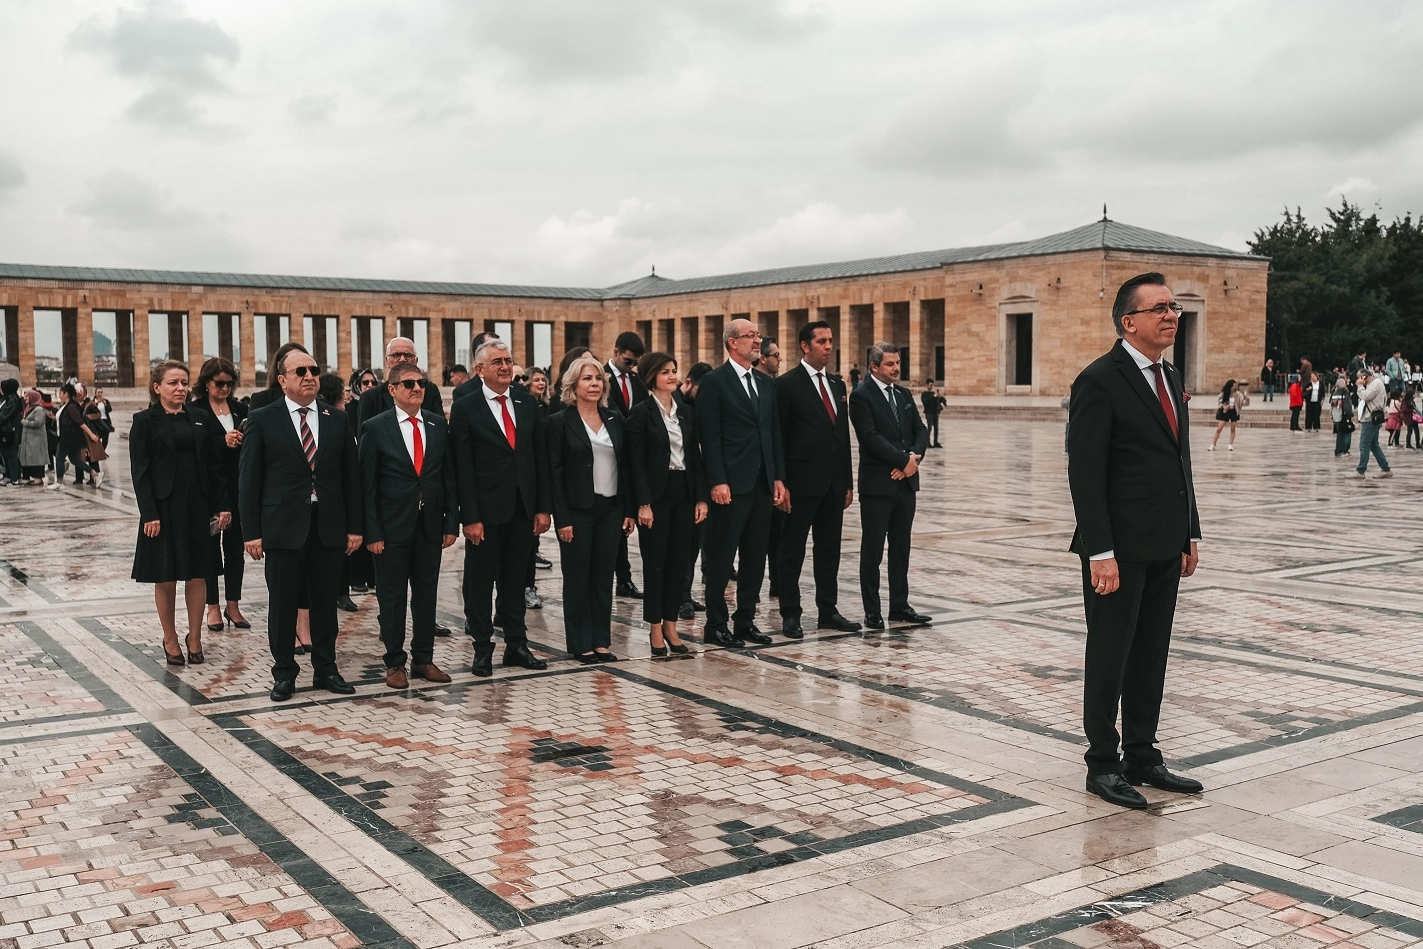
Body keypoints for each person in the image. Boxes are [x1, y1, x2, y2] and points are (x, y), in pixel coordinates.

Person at [1067, 271, 1203, 810]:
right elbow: (1086, 474)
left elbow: (1179, 460)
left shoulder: (1170, 376)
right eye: (1159, 308)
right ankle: (1103, 762)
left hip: (1165, 542)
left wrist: (1190, 530)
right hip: (1118, 550)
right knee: (1110, 654)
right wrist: (1099, 551)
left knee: (1151, 652)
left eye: (1174, 307)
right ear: (1129, 322)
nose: (1171, 316)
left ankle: (1142, 755)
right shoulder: (1099, 380)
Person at [239, 347, 365, 701]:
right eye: (301, 371)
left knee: (325, 601)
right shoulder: (263, 418)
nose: (310, 376)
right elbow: (249, 480)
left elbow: (351, 478)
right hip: (282, 527)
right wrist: (252, 532)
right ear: (282, 380)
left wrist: (355, 527)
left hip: (328, 525)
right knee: (283, 603)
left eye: (314, 370)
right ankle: (284, 673)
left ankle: (326, 669)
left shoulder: (336, 418)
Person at [449, 338, 551, 676]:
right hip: (485, 513)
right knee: (480, 583)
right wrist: (470, 517)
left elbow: (538, 457)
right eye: (498, 362)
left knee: (515, 581)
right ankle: (482, 647)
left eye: (508, 360)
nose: (506, 366)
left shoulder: (526, 402)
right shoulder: (466, 407)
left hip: (522, 509)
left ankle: (516, 644)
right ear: (480, 369)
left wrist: (542, 507)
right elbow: (462, 467)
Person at [360, 363, 458, 689]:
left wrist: (451, 523)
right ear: (392, 389)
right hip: (390, 529)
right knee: (392, 597)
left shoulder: (437, 424)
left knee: (426, 595)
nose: (417, 388)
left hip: (429, 525)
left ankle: (423, 659)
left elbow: (447, 477)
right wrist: (372, 531)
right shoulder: (376, 427)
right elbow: (367, 486)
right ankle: (394, 662)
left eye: (421, 383)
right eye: (409, 383)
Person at [130, 360, 231, 667]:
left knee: (199, 573)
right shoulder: (144, 421)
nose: (180, 388)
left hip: (198, 506)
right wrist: (149, 513)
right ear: (157, 387)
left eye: (184, 383)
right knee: (166, 576)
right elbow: (140, 473)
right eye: (173, 383)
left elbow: (215, 465)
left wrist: (223, 505)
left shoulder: (200, 418)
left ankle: (195, 637)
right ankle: (170, 638)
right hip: (163, 509)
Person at [697, 318, 786, 647]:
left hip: (761, 484)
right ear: (732, 342)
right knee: (721, 558)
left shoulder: (764, 382)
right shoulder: (714, 382)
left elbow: (772, 432)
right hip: (730, 487)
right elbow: (709, 436)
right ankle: (716, 624)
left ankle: (745, 621)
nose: (757, 340)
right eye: (750, 336)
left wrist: (778, 476)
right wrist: (717, 480)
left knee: (755, 556)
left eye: (758, 335)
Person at [547, 355, 635, 663]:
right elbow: (555, 474)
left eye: (598, 378)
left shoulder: (614, 419)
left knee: (603, 576)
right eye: (587, 378)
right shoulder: (559, 422)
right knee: (577, 578)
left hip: (610, 508)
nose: (594, 383)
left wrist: (628, 509)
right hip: (577, 510)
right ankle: (580, 642)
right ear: (574, 385)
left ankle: (600, 640)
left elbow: (626, 467)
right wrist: (562, 518)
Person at [773, 321, 859, 637]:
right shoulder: (787, 384)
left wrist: (847, 482)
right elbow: (778, 437)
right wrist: (780, 481)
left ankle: (828, 610)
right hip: (800, 484)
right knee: (792, 550)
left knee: (828, 551)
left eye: (830, 340)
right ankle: (790, 613)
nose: (828, 346)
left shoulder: (837, 385)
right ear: (805, 346)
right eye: (822, 341)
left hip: (833, 485)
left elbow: (841, 435)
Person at [627, 352, 707, 656]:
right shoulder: (641, 413)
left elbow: (695, 457)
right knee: (656, 563)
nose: (673, 376)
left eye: (674, 370)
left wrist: (701, 498)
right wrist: (643, 503)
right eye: (665, 372)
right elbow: (636, 463)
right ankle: (655, 628)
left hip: (684, 491)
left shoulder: (686, 411)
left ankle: (672, 625)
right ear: (651, 377)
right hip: (656, 496)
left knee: (679, 563)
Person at [850, 342, 931, 630]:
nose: (896, 368)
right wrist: (902, 460)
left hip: (906, 484)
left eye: (897, 363)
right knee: (873, 549)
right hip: (877, 486)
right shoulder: (861, 397)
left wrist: (912, 458)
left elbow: (920, 430)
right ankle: (872, 610)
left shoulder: (904, 394)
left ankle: (900, 605)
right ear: (874, 367)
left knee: (901, 547)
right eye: (890, 364)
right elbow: (870, 438)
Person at [188, 357, 251, 633]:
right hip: (208, 491)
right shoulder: (195, 411)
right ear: (206, 383)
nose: (224, 388)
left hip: (238, 488)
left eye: (229, 383)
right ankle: (212, 606)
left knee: (236, 549)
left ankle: (233, 605)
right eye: (219, 383)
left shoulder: (241, 409)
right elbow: (195, 448)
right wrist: (222, 441)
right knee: (210, 550)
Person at [605, 331, 647, 599]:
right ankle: (621, 576)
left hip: (633, 457)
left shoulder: (637, 382)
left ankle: (625, 579)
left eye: (635, 363)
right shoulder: (599, 378)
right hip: (611, 457)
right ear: (616, 352)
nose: (631, 367)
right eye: (628, 361)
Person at [678, 361, 713, 620]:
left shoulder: (698, 405)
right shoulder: (677, 406)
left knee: (693, 546)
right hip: (680, 486)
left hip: (699, 485)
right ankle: (680, 598)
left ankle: (686, 595)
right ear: (689, 383)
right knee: (681, 547)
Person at [358, 337, 443, 435]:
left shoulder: (429, 390)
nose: (402, 359)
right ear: (387, 361)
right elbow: (365, 437)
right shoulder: (370, 398)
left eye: (408, 355)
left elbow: (439, 430)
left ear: (416, 360)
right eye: (396, 355)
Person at [46, 383, 100, 489]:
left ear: (66, 394)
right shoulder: (67, 405)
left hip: (68, 437)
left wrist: (91, 435)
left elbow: (80, 422)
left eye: (61, 393)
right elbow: (67, 419)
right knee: (74, 459)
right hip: (69, 437)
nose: (59, 395)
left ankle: (59, 482)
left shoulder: (71, 406)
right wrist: (54, 418)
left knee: (59, 458)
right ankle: (95, 474)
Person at [1348, 367, 1392, 479]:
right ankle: (1385, 468)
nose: (1358, 380)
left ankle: (1361, 471)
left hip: (1370, 419)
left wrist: (1360, 386)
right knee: (1373, 445)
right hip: (1370, 418)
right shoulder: (1372, 384)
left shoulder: (1375, 383)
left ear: (1364, 376)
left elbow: (1366, 396)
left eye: (1359, 377)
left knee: (1364, 445)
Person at [17, 390, 48, 485]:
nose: (25, 398)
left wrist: (25, 422)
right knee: (30, 457)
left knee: (37, 458)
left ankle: (38, 478)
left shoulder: (39, 409)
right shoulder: (29, 408)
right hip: (29, 438)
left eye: (27, 396)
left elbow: (38, 422)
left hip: (36, 439)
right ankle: (29, 476)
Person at [1208, 379, 1241, 451]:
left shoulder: (1238, 394)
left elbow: (1242, 403)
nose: (1234, 387)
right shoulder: (1224, 393)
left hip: (1234, 412)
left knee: (1233, 429)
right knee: (1219, 429)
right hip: (1225, 411)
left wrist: (1247, 398)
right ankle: (1213, 444)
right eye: (1233, 386)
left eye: (1235, 386)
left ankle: (1230, 444)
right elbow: (1219, 402)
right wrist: (1224, 406)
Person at [0, 378, 21, 485]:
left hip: (8, 431)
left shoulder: (12, 400)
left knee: (11, 454)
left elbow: (4, 415)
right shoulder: (8, 399)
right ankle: (9, 476)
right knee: (7, 454)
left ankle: (14, 478)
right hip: (5, 430)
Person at [1331, 377, 1355, 457]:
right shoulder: (1345, 393)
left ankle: (1339, 450)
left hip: (1336, 417)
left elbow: (1332, 405)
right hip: (1343, 417)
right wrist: (1350, 414)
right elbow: (1347, 406)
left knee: (1339, 434)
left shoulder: (1334, 393)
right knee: (1346, 433)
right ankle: (1343, 450)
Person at [920, 379, 945, 448]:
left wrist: (941, 397)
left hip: (935, 412)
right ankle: (928, 442)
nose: (931, 387)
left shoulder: (934, 393)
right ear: (927, 385)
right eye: (930, 385)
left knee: (936, 428)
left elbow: (943, 401)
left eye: (932, 385)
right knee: (929, 427)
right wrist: (933, 397)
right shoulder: (924, 394)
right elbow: (926, 402)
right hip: (929, 413)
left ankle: (935, 442)